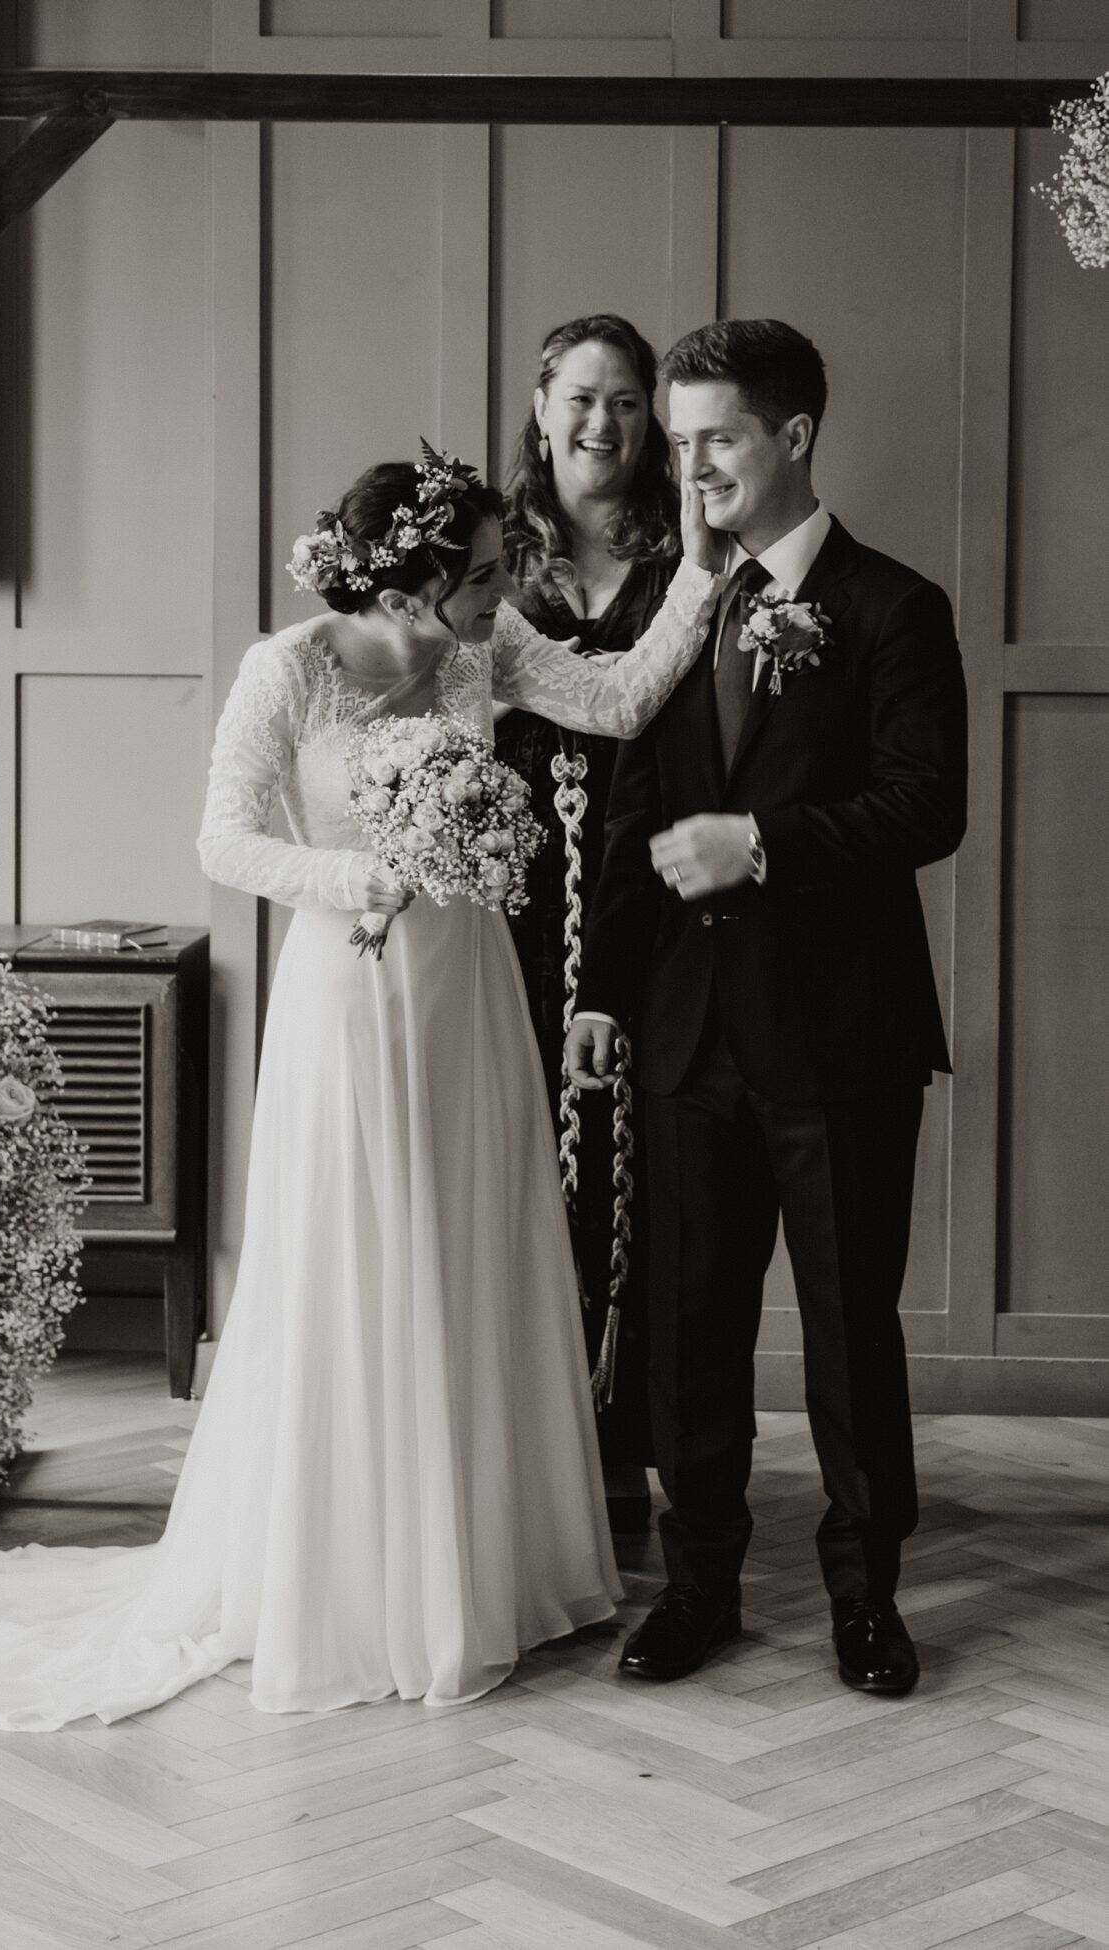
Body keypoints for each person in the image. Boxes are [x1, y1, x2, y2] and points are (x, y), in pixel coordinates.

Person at [0, 445, 726, 1728]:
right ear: (412, 584)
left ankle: (481, 1567)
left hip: (470, 997)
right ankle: (349, 1581)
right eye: (488, 573)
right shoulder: (287, 669)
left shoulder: (485, 657)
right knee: (353, 1255)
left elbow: (616, 700)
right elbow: (223, 836)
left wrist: (705, 582)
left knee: (466, 1249)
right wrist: (354, 880)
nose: (509, 591)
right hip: (347, 993)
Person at [567, 319, 968, 1698]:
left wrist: (766, 842)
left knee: (852, 1329)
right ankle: (700, 1590)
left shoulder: (897, 609)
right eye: (676, 444)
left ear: (793, 437)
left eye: (716, 439)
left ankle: (868, 1599)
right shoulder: (666, 609)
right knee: (691, 1335)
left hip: (841, 1036)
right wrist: (604, 993)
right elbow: (630, 815)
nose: (690, 471)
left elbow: (930, 804)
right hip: (682, 1034)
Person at [499, 314, 683, 1533]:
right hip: (509, 908)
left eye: (625, 401)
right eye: (581, 396)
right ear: (540, 399)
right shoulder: (485, 559)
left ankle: (626, 1445)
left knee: (647, 1172)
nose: (601, 424)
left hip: (656, 901)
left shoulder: (691, 554)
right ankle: (515, 1443)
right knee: (513, 1164)